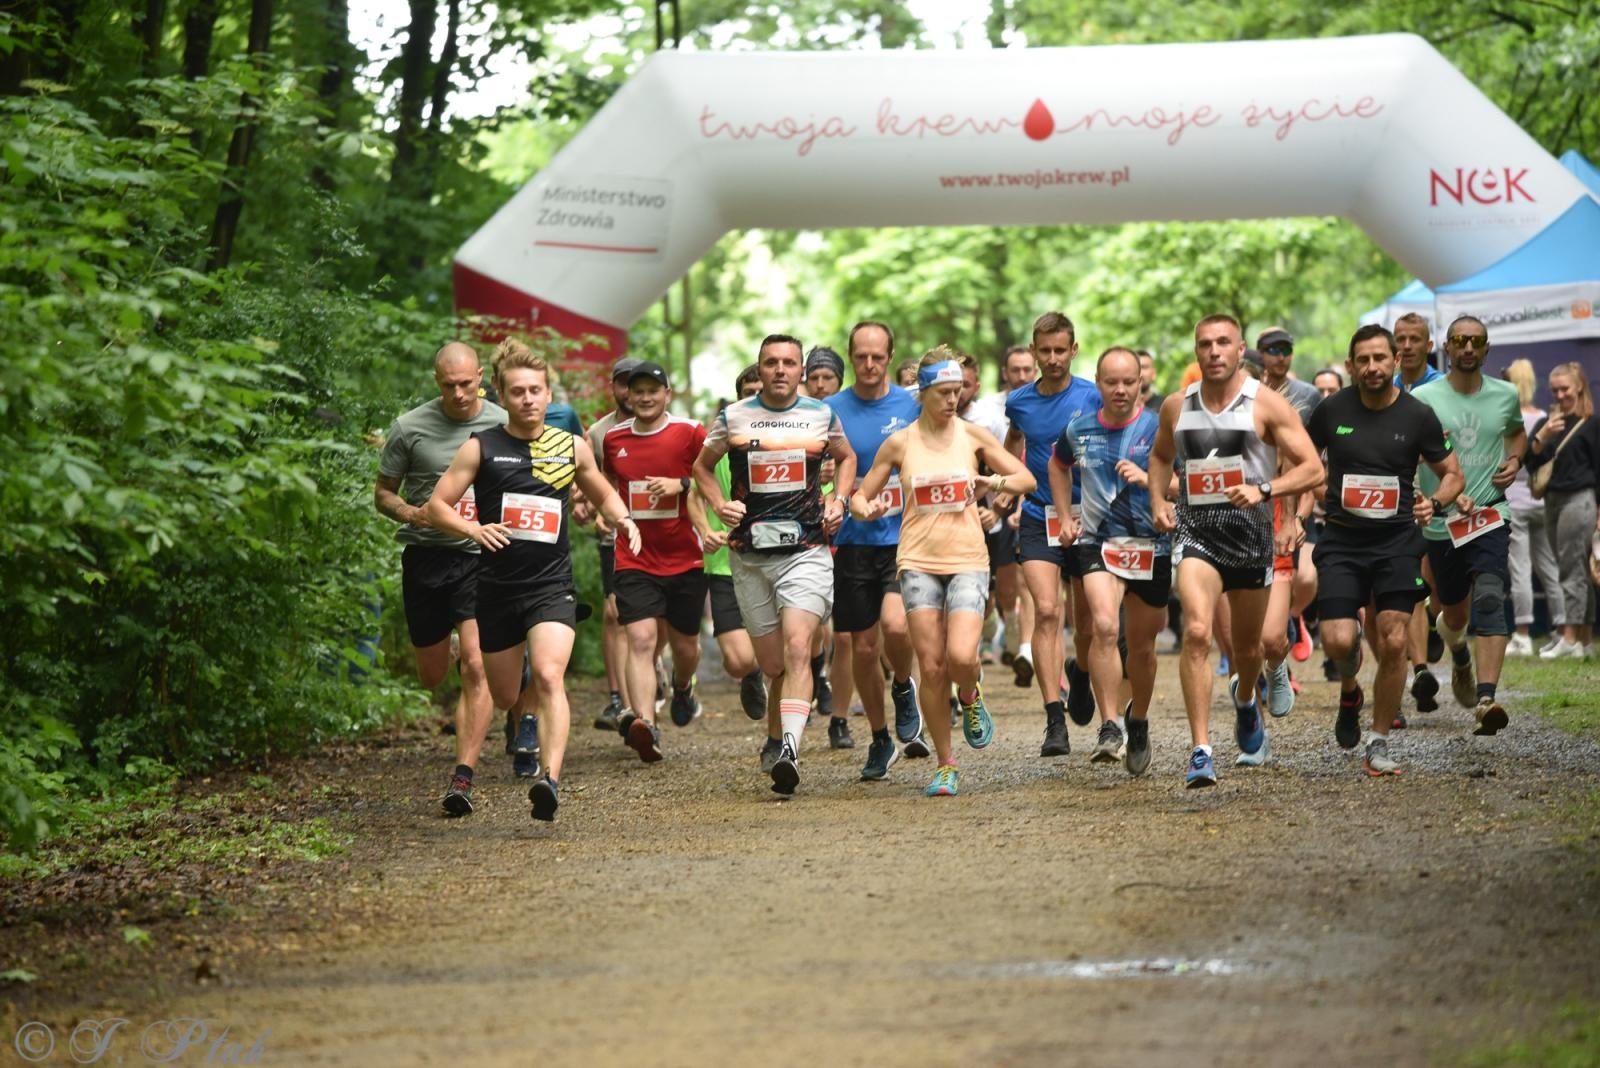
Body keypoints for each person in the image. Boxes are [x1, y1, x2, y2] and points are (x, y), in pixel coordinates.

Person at [426, 343, 640, 823]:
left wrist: (623, 520)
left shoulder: (569, 445)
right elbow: (437, 506)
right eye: (517, 391)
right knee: (504, 693)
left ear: (548, 395)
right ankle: (515, 717)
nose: (527, 399)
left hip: (551, 587)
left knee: (547, 674)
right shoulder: (481, 446)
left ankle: (550, 778)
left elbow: (601, 489)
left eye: (536, 391)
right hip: (496, 589)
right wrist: (473, 529)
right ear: (500, 393)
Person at [1148, 314, 1322, 787]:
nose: (1214, 351)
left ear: (1240, 348)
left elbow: (1311, 469)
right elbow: (1161, 457)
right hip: (1196, 535)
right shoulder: (1175, 407)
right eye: (1205, 344)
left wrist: (1265, 490)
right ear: (1197, 350)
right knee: (1198, 633)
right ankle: (1201, 750)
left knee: (1248, 649)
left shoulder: (1264, 405)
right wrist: (1157, 501)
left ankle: (1246, 697)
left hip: (1250, 539)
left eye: (1223, 342)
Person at [852, 348, 1034, 796]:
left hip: (969, 558)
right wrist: (867, 507)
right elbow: (860, 495)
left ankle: (970, 695)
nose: (953, 400)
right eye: (944, 393)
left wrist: (990, 483)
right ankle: (946, 763)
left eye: (958, 392)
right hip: (916, 561)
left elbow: (1026, 479)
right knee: (931, 668)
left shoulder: (972, 437)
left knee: (961, 658)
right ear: (924, 393)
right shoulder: (900, 442)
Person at [693, 334, 858, 796]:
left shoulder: (821, 415)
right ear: (760, 369)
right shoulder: (734, 418)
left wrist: (839, 500)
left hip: (806, 551)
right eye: (771, 363)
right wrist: (719, 504)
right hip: (749, 557)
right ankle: (782, 722)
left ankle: (789, 747)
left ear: (800, 370)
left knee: (799, 647)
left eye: (789, 363)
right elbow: (702, 468)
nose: (780, 370)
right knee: (771, 663)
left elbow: (846, 458)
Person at [1307, 324, 1463, 777]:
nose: (1372, 367)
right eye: (1363, 360)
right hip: (1341, 539)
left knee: (1394, 639)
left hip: (1396, 542)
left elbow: (1452, 472)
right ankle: (1350, 690)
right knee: (1338, 641)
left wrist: (1434, 502)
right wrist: (1312, 490)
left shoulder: (1417, 415)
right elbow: (1299, 459)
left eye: (1380, 358)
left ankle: (1377, 742)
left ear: (1396, 361)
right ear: (1351, 365)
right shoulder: (1330, 409)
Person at [375, 342, 508, 816]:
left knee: (476, 665)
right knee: (432, 676)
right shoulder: (410, 427)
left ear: (480, 378)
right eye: (449, 385)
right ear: (437, 381)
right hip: (427, 558)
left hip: (482, 555)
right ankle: (449, 648)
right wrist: (410, 511)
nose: (458, 393)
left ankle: (463, 777)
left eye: (466, 383)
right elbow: (383, 493)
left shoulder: (502, 421)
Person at [1047, 347, 1168, 776]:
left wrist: (1153, 482)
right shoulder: (1078, 429)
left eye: (1128, 382)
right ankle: (1110, 725)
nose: (1120, 390)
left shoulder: (1159, 428)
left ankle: (1138, 720)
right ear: (1097, 383)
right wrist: (1064, 516)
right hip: (1097, 543)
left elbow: (1183, 479)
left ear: (1141, 383)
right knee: (1102, 625)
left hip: (1151, 546)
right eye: (1111, 382)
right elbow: (1057, 466)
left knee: (1143, 648)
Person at [1412, 317, 1524, 734]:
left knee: (1492, 596)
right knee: (1453, 613)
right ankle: (1457, 648)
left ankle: (1486, 699)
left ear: (1487, 348)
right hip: (1443, 523)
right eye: (1460, 340)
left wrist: (1515, 461)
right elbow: (1412, 451)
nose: (1468, 347)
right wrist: (1438, 489)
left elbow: (1515, 434)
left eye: (1476, 341)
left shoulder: (1506, 394)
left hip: (1490, 513)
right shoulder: (1423, 397)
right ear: (1446, 346)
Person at [826, 321, 927, 779]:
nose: (869, 365)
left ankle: (903, 684)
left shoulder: (912, 405)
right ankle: (881, 738)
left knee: (896, 627)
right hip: (852, 541)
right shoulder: (829, 409)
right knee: (864, 649)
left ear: (890, 357)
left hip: (906, 537)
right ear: (851, 357)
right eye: (861, 357)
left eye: (878, 357)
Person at [1002, 312, 1102, 756]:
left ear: (1074, 350)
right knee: (1046, 610)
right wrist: (1007, 487)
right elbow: (1013, 445)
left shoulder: (1095, 396)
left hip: (1090, 516)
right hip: (1040, 515)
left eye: (1061, 350)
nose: (1053, 358)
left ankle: (1080, 670)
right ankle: (1053, 718)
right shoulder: (1020, 402)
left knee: (1088, 621)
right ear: (1033, 350)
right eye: (1045, 351)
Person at [603, 360, 710, 762]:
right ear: (627, 395)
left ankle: (682, 686)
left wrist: (681, 484)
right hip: (634, 557)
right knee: (642, 640)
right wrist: (606, 511)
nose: (646, 397)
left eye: (654, 390)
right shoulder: (613, 440)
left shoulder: (689, 432)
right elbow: (606, 485)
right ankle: (645, 724)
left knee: (685, 647)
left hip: (685, 558)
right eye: (638, 390)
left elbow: (714, 476)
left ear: (667, 394)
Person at [688, 366, 770, 724]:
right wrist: (706, 528)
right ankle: (752, 676)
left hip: (776, 561)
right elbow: (694, 497)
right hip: (726, 564)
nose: (753, 398)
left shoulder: (790, 441)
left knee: (787, 651)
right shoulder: (719, 445)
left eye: (760, 391)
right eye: (747, 392)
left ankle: (782, 731)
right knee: (737, 661)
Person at [584, 357, 642, 731]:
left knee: (653, 619)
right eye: (623, 384)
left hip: (663, 532)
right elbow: (588, 482)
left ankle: (657, 675)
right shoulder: (598, 433)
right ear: (614, 388)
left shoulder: (673, 427)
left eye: (636, 385)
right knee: (614, 612)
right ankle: (618, 699)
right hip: (616, 533)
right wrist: (586, 506)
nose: (630, 392)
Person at [1526, 363, 1600, 659]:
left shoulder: (1592, 423)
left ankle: (1570, 638)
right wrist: (1542, 436)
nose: (1559, 394)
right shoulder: (1549, 422)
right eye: (1555, 389)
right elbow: (1530, 464)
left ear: (1579, 387)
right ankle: (1583, 640)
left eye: (1565, 389)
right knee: (1576, 569)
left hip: (1579, 499)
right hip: (1551, 500)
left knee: (1571, 569)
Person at [801, 346, 850, 746]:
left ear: (839, 381)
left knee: (847, 632)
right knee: (815, 621)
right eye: (814, 378)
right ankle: (817, 670)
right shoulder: (793, 419)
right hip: (805, 534)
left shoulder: (845, 417)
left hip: (846, 531)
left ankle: (839, 719)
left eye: (827, 379)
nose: (820, 385)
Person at [1502, 359, 1564, 656]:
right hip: (1541, 498)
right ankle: (1564, 628)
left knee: (1520, 568)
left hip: (1514, 499)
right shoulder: (1543, 417)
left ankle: (1523, 634)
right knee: (1550, 567)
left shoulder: (1506, 419)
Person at [1393, 313, 1443, 393]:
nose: (1407, 346)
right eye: (1401, 339)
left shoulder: (1442, 387)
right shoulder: (1388, 389)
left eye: (1415, 339)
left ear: (1428, 346)